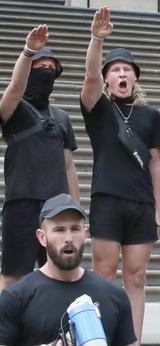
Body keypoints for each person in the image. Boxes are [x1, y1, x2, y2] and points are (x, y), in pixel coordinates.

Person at [79, 7, 160, 346]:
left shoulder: (149, 115)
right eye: (115, 70)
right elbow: (88, 80)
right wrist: (98, 39)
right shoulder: (98, 108)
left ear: (135, 78)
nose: (122, 73)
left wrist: (158, 208)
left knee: (137, 277)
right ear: (108, 79)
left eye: (127, 69)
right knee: (103, 274)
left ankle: (134, 345)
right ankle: (100, 344)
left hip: (141, 203)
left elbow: (156, 162)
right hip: (107, 200)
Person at [0, 193, 139, 346]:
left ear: (85, 234)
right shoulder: (16, 296)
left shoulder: (114, 296)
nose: (68, 238)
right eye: (59, 230)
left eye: (75, 229)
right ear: (42, 237)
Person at [0, 24, 79, 290]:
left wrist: (76, 208)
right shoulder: (15, 110)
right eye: (40, 67)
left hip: (56, 207)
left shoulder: (62, 118)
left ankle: (54, 330)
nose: (46, 72)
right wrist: (27, 52)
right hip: (21, 204)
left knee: (60, 273)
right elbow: (14, 87)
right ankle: (7, 331)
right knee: (13, 275)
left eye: (51, 69)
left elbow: (69, 166)